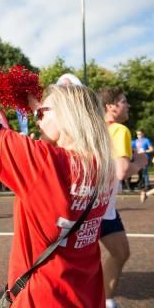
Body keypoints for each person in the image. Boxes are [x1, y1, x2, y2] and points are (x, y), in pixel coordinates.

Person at [0, 76, 116, 307]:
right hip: (88, 295)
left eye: (42, 114)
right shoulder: (103, 165)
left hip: (42, 297)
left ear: (67, 117)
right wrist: (40, 108)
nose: (36, 120)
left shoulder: (46, 163)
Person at [98, 87, 148, 308]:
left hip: (90, 204)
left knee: (120, 252)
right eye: (124, 101)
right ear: (111, 106)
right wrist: (141, 162)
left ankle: (105, 299)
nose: (128, 105)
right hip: (101, 207)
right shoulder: (119, 130)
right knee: (119, 253)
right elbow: (121, 171)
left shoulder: (95, 129)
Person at [132, 130, 153, 195]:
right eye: (137, 134)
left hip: (144, 158)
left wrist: (145, 151)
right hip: (137, 158)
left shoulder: (146, 140)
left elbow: (151, 149)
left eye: (140, 134)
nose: (139, 135)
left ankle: (147, 185)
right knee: (139, 172)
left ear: (143, 134)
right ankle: (141, 184)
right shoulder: (135, 141)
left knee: (144, 172)